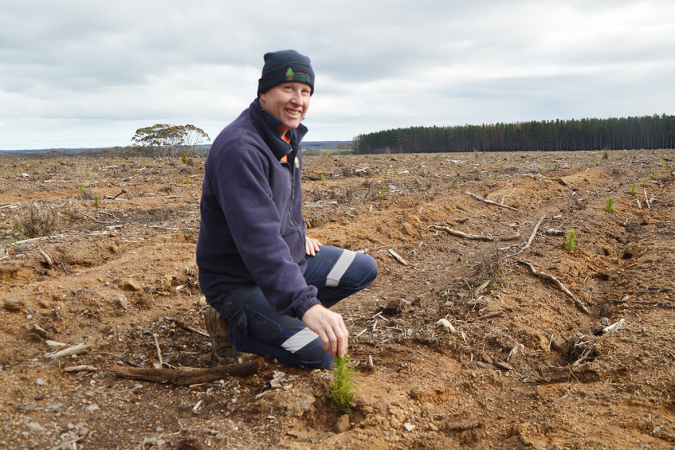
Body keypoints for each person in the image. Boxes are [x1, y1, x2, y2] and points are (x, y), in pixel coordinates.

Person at [196, 50, 378, 369]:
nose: (298, 100)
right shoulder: (241, 149)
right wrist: (307, 305)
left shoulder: (286, 135)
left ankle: (277, 314)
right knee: (319, 353)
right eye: (288, 89)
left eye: (305, 92)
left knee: (363, 268)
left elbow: (283, 205)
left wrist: (296, 235)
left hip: (284, 262)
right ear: (263, 93)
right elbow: (258, 239)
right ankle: (233, 327)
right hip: (238, 280)